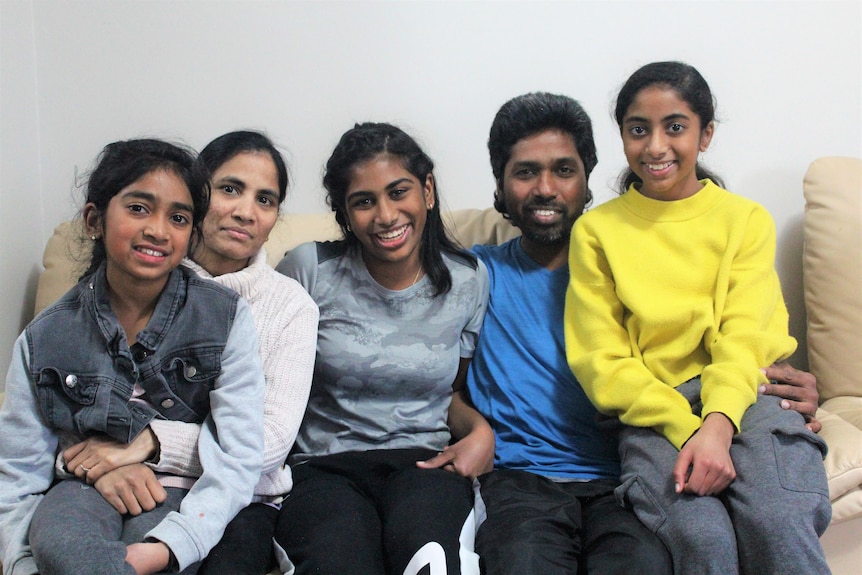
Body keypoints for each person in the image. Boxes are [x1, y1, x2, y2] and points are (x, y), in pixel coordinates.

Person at [465, 92, 825, 575]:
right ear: (501, 182)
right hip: (529, 478)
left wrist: (775, 389)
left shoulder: (636, 263)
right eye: (526, 172)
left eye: (564, 171)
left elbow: (725, 335)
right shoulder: (472, 276)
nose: (546, 188)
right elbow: (420, 362)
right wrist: (474, 426)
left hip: (624, 474)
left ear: (587, 178)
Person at [564, 62, 831, 574]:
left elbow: (744, 333)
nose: (656, 146)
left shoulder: (744, 220)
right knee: (700, 536)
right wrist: (684, 428)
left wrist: (717, 424)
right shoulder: (597, 232)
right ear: (622, 135)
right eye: (638, 129)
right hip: (654, 411)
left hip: (749, 393)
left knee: (777, 521)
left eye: (676, 127)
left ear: (705, 134)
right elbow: (601, 359)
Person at [58, 131, 319, 575]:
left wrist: (147, 442)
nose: (245, 211)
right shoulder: (141, 271)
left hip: (244, 496)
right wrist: (107, 464)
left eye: (265, 199)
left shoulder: (291, 306)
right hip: (120, 480)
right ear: (196, 197)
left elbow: (270, 440)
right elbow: (62, 400)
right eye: (230, 189)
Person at [0, 139, 266, 575]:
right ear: (94, 220)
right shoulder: (45, 336)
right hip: (80, 489)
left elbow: (238, 454)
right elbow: (19, 473)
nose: (158, 230)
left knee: (155, 554)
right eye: (139, 208)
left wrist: (178, 542)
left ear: (191, 233)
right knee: (58, 538)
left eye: (178, 218)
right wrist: (22, 563)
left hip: (180, 492)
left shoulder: (225, 317)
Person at [273, 122, 492, 575]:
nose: (386, 215)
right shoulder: (308, 269)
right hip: (324, 469)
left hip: (425, 465)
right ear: (345, 214)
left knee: (432, 560)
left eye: (399, 192)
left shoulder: (469, 279)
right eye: (364, 201)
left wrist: (480, 434)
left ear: (427, 191)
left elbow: (449, 394)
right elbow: (271, 388)